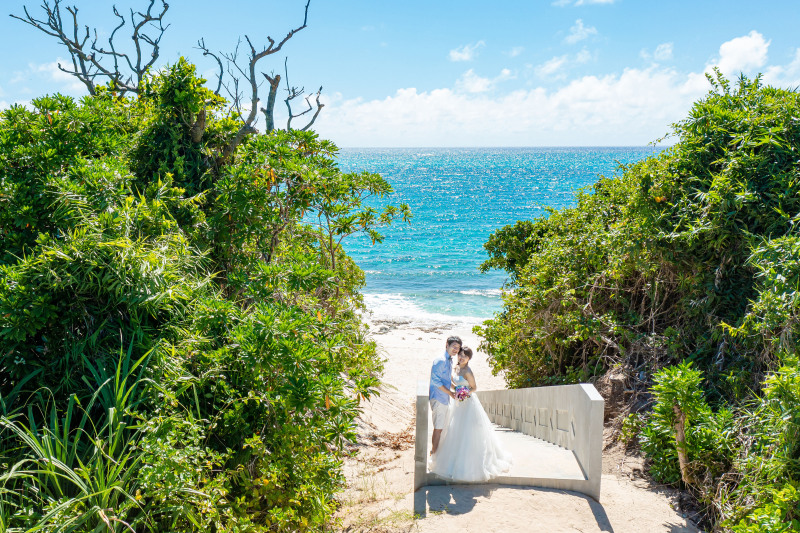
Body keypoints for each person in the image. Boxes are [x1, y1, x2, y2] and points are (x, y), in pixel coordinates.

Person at [429, 346, 512, 482]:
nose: (461, 357)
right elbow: (453, 384)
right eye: (460, 355)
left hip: (468, 403)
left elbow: (474, 388)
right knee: (455, 431)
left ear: (469, 359)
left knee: (468, 433)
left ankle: (471, 464)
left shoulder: (468, 371)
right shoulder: (456, 368)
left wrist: (464, 393)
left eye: (465, 356)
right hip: (458, 404)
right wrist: (455, 390)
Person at [429, 336, 461, 454]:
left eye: (457, 348)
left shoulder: (449, 360)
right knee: (438, 428)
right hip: (438, 397)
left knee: (442, 428)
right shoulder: (440, 360)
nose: (456, 350)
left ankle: (437, 454)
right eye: (454, 346)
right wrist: (450, 393)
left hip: (444, 398)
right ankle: (434, 454)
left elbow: (446, 379)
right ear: (446, 345)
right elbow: (435, 381)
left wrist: (456, 388)